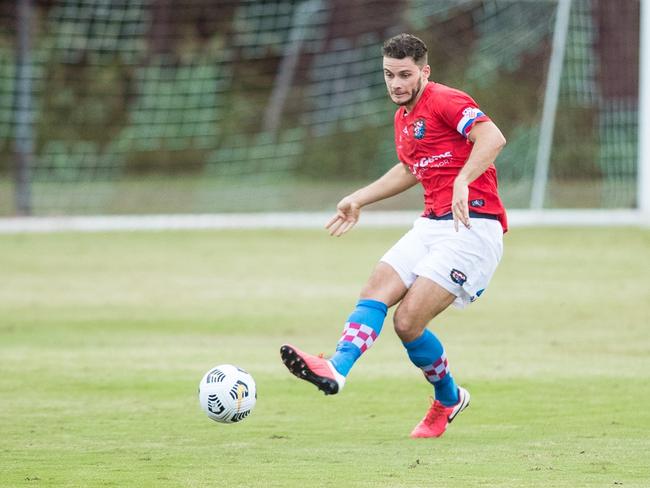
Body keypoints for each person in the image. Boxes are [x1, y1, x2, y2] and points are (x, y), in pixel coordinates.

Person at [280, 33, 507, 438]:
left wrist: (463, 180)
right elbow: (408, 168)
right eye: (389, 75)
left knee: (407, 322)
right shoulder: (404, 117)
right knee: (375, 288)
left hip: (473, 228)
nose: (396, 84)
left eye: (405, 74)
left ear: (425, 71)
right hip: (431, 223)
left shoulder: (445, 100)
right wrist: (359, 198)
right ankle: (336, 368)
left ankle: (448, 398)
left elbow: (492, 137)